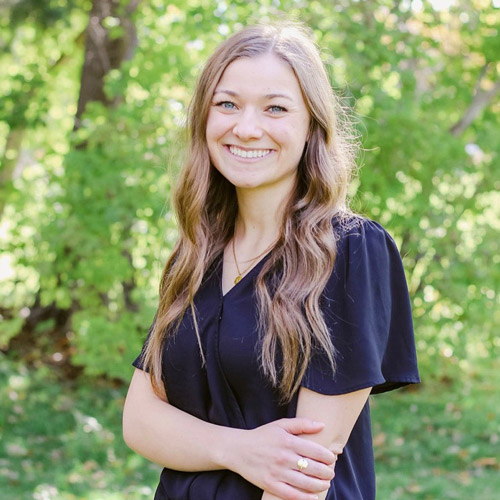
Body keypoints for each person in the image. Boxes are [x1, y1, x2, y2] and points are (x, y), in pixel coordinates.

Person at [122, 21, 420, 500]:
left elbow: (301, 475)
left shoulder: (350, 250)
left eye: (275, 108)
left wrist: (208, 445)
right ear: (204, 117)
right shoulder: (198, 252)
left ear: (311, 127)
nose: (245, 127)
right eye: (227, 104)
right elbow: (140, 421)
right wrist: (238, 449)